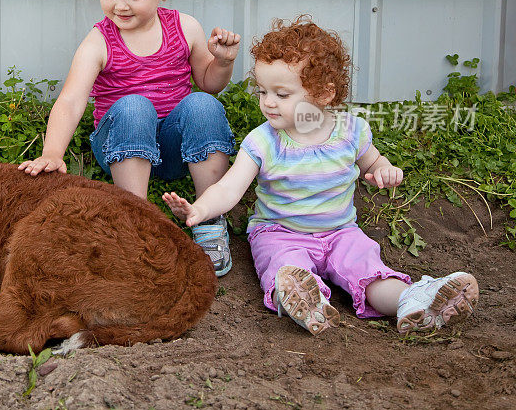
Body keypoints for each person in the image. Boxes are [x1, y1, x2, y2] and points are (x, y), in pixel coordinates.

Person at [163, 17, 479, 334]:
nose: (268, 102)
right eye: (262, 92)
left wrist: (384, 169)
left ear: (324, 94)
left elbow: (373, 162)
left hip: (342, 233)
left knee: (369, 272)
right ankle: (307, 303)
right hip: (280, 233)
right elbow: (229, 188)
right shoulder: (263, 141)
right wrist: (200, 209)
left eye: (282, 94)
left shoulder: (350, 131)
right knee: (286, 271)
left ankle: (415, 301)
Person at [18, 0, 240, 276]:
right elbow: (72, 100)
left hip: (173, 149)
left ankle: (209, 216)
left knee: (202, 104)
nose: (119, 5)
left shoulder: (185, 28)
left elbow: (209, 83)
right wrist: (53, 151)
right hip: (120, 147)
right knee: (135, 107)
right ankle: (134, 221)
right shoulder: (99, 41)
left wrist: (223, 61)